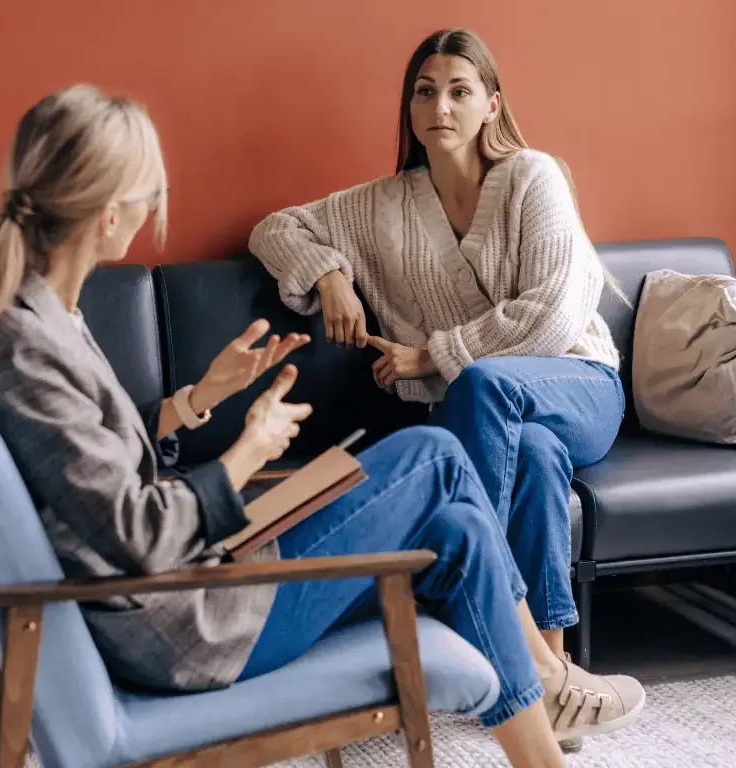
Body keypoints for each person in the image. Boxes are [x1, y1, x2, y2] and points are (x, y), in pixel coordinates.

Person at [0, 84, 642, 766]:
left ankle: (539, 742)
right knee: (433, 456)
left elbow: (96, 462)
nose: (154, 206)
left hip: (194, 581)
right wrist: (246, 454)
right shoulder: (25, 349)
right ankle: (544, 675)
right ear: (106, 213)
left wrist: (200, 398)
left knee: (457, 526)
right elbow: (136, 532)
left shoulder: (42, 318)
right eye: (149, 192)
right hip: (190, 623)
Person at [249, 28, 624, 672]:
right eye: (425, 92)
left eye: (459, 91)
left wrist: (428, 358)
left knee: (483, 383)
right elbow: (275, 228)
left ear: (492, 105)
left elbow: (553, 315)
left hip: (579, 384)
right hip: (495, 416)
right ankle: (551, 667)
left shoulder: (533, 177)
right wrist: (329, 276)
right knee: (534, 454)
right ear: (410, 107)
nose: (440, 107)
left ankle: (486, 613)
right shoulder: (384, 205)